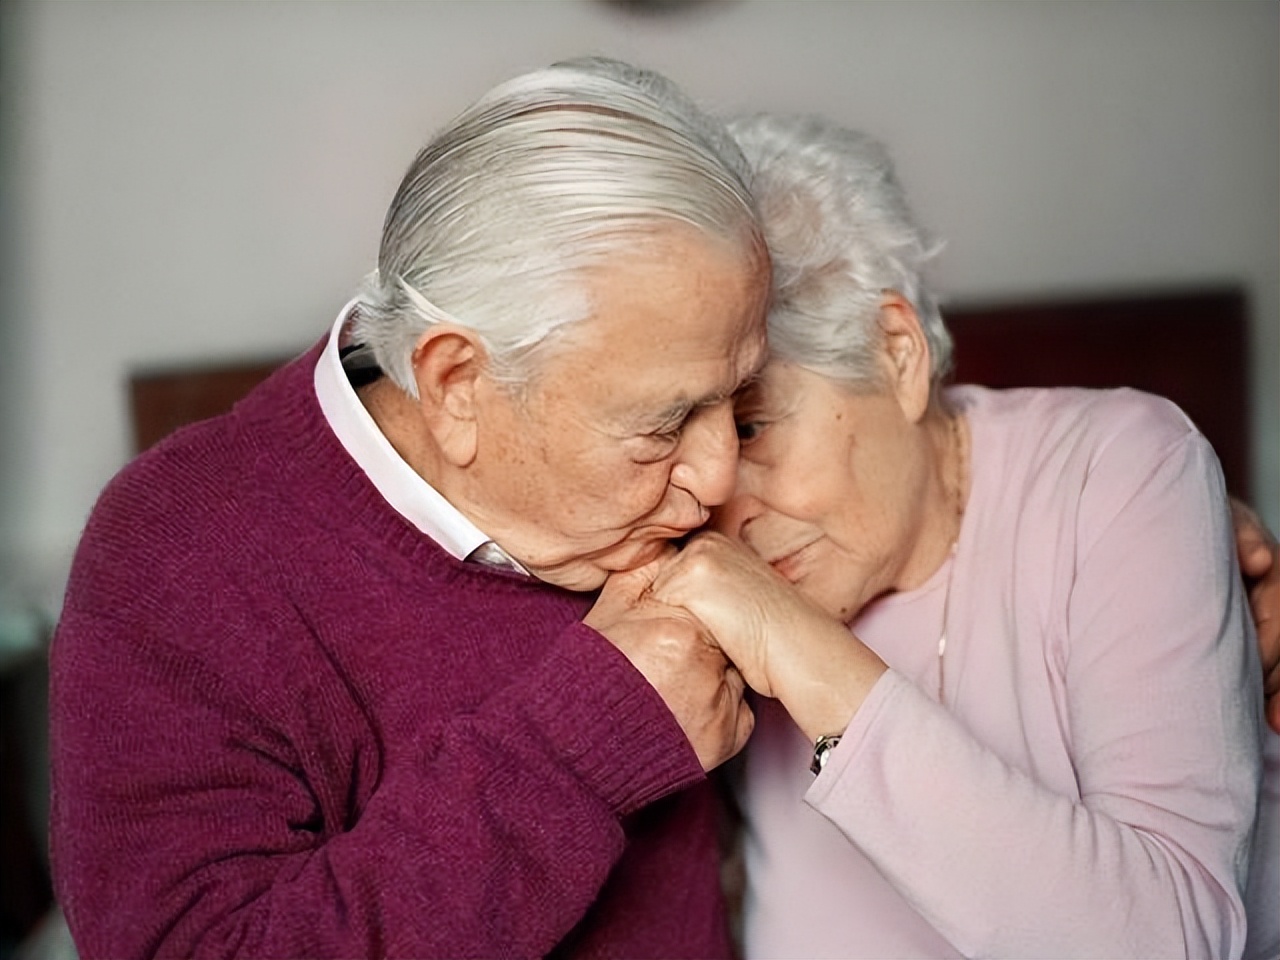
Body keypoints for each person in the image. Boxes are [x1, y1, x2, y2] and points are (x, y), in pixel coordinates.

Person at [49, 58, 769, 958]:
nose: (721, 475)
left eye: (742, 401)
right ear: (457, 384)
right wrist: (589, 745)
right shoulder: (177, 556)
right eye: (665, 424)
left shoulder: (671, 475)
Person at [649, 113, 1272, 957]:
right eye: (685, 444)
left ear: (898, 354)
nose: (723, 508)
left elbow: (1175, 940)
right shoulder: (691, 564)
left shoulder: (1119, 470)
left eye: (753, 428)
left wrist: (791, 642)